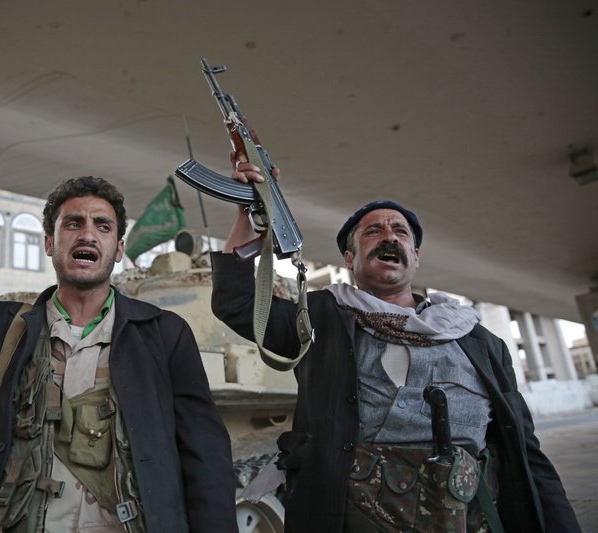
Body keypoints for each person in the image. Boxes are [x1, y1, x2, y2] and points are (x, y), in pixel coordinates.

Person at [0, 123, 236, 533]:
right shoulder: (6, 332)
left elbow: (206, 459)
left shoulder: (163, 336)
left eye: (103, 225)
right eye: (72, 223)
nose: (87, 233)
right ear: (49, 243)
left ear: (118, 250)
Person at [210, 160, 581, 532]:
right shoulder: (321, 318)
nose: (389, 236)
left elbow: (526, 453)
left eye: (400, 231)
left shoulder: (479, 341)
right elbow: (237, 304)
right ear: (350, 259)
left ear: (415, 257)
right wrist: (248, 213)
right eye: (373, 231)